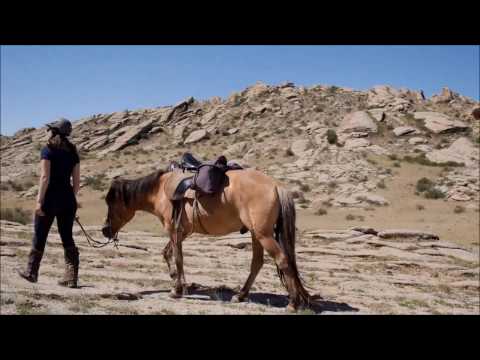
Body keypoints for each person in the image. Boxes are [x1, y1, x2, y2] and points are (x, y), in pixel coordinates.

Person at [18, 118, 81, 288]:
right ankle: (71, 278)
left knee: (40, 235)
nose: (47, 131)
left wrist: (39, 201)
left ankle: (31, 273)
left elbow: (45, 178)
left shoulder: (48, 150)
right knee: (67, 237)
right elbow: (76, 181)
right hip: (67, 199)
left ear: (54, 131)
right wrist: (72, 199)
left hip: (50, 199)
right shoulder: (73, 152)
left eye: (49, 129)